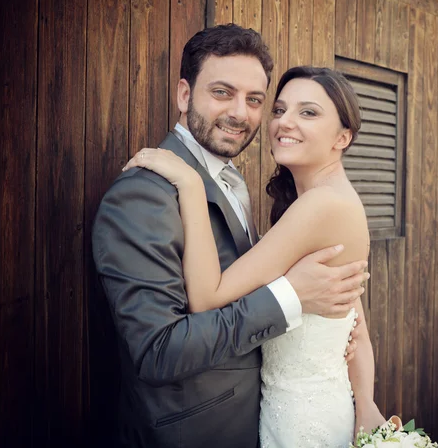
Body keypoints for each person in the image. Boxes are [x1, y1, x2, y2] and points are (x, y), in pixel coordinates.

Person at [92, 24, 368, 448]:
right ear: (184, 95)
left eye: (255, 100)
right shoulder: (143, 194)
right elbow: (158, 350)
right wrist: (293, 296)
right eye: (222, 92)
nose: (241, 113)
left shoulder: (241, 183)